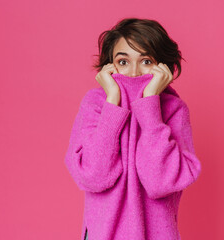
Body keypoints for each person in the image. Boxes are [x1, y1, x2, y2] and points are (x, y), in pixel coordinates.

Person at [64, 17, 202, 240]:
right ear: (109, 66)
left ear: (162, 66)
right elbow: (93, 176)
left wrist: (149, 106)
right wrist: (112, 104)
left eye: (146, 61)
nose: (134, 73)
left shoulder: (174, 109)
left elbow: (161, 182)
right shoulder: (96, 103)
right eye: (123, 61)